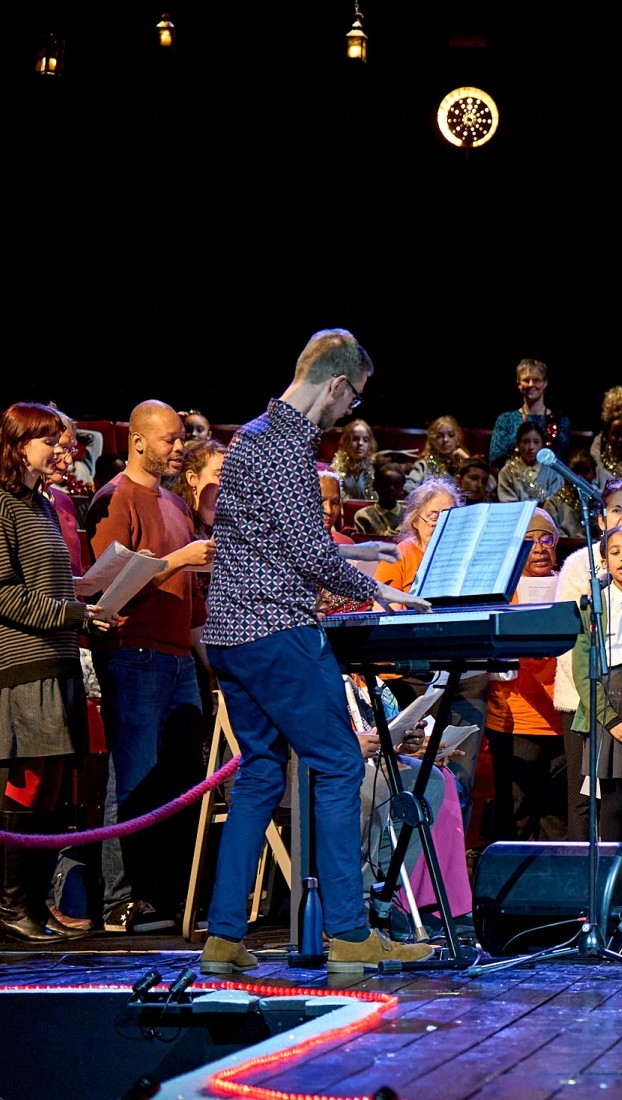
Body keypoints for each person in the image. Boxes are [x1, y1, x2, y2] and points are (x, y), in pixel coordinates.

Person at [198, 330, 434, 980]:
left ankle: (223, 940)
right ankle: (351, 937)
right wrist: (377, 590)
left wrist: (359, 554)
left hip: (230, 635)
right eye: (352, 397)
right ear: (334, 384)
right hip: (276, 632)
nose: (349, 410)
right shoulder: (287, 448)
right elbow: (305, 555)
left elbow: (272, 540)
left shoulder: (251, 435)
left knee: (260, 777)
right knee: (336, 765)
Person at [0, 403, 112, 941]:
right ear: (19, 444)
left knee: (53, 791)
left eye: (65, 443)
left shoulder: (43, 505)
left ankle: (35, 901)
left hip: (57, 657)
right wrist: (74, 613)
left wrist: (89, 606)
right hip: (21, 664)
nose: (63, 453)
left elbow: (48, 586)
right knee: (26, 788)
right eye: (51, 442)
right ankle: (10, 907)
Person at [86, 400, 214, 935]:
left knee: (181, 780)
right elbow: (106, 590)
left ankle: (164, 892)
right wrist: (178, 561)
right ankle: (121, 897)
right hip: (134, 655)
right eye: (169, 439)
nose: (178, 447)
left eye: (182, 438)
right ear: (138, 441)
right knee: (134, 776)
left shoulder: (177, 506)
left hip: (180, 658)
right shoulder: (115, 499)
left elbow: (194, 599)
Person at [553, 523, 622, 870]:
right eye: (615, 552)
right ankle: (613, 884)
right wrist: (612, 722)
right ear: (604, 561)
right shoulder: (593, 604)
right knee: (611, 802)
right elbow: (582, 665)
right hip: (606, 703)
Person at [484, 508, 567, 841]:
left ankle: (550, 888)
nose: (539, 548)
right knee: (516, 814)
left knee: (557, 816)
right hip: (516, 718)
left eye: (546, 538)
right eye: (528, 541)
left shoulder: (570, 583)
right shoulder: (500, 590)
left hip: (564, 718)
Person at [489, 358, 574, 466]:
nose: (530, 384)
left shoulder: (560, 421)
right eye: (526, 380)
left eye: (536, 380)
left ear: (545, 383)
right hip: (514, 478)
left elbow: (562, 458)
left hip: (550, 480)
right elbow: (495, 459)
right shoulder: (505, 420)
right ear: (518, 384)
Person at [352, 455, 409, 537]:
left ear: (402, 488)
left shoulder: (409, 516)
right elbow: (361, 546)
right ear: (375, 485)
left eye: (396, 485)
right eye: (386, 484)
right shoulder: (363, 516)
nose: (391, 489)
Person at [407, 415, 470, 489]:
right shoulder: (424, 465)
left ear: (458, 439)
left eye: (451, 435)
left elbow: (485, 487)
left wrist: (468, 461)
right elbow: (409, 488)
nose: (445, 440)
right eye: (439, 436)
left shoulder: (464, 466)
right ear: (432, 441)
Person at [331, 418, 378, 501]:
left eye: (365, 440)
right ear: (346, 442)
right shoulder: (334, 470)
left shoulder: (377, 468)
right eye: (355, 439)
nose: (360, 443)